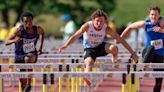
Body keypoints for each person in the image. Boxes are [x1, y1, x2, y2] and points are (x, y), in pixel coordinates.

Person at [58, 9, 138, 87]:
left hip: (100, 47)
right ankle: (86, 76)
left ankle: (114, 56)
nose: (99, 23)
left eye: (101, 21)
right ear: (93, 20)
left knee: (114, 47)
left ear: (105, 22)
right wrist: (66, 45)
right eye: (97, 21)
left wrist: (133, 53)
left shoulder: (107, 29)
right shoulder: (87, 26)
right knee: (89, 63)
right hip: (89, 49)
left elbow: (121, 40)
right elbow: (75, 36)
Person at [120, 5, 164, 92]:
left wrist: (162, 30)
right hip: (148, 52)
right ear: (149, 15)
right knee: (151, 47)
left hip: (160, 54)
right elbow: (130, 27)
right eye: (152, 14)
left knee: (159, 81)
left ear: (159, 15)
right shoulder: (145, 24)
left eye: (155, 15)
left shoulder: (162, 23)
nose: (154, 17)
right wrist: (121, 37)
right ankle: (141, 68)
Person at [5, 12, 44, 92]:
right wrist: (15, 40)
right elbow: (6, 42)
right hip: (19, 56)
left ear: (32, 21)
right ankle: (26, 87)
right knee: (22, 81)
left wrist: (40, 48)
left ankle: (29, 83)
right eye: (26, 21)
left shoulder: (37, 28)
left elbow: (42, 33)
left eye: (30, 21)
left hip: (31, 53)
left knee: (28, 58)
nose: (28, 23)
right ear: (22, 22)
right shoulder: (19, 30)